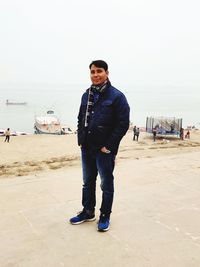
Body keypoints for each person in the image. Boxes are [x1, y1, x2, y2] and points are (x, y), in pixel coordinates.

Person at [69, 60, 130, 232]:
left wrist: (109, 146)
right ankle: (88, 212)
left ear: (107, 73)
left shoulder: (117, 96)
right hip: (86, 147)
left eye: (99, 71)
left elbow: (123, 123)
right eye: (92, 72)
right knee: (87, 182)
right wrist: (80, 139)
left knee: (106, 184)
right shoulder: (86, 94)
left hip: (104, 150)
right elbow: (81, 118)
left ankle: (105, 215)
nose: (95, 75)